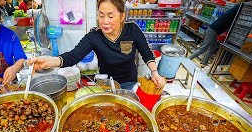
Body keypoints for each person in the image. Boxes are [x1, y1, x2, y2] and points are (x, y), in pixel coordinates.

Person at [27, 0, 165, 88]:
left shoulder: (132, 30)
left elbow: (147, 53)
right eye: (101, 15)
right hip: (106, 83)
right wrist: (48, 62)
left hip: (129, 82)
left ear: (122, 16)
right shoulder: (94, 37)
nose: (105, 21)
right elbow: (72, 56)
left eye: (111, 16)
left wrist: (154, 72)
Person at [189, 0, 252, 67]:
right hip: (212, 30)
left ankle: (204, 63)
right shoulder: (240, 6)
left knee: (212, 47)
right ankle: (187, 60)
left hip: (215, 31)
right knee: (203, 48)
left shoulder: (238, 9)